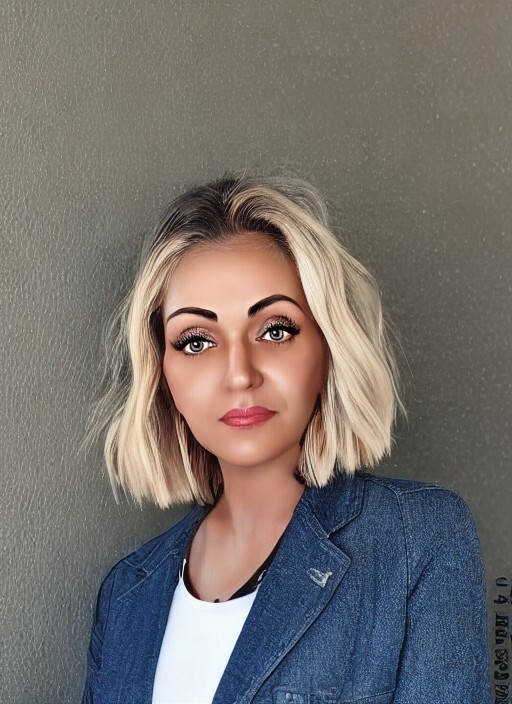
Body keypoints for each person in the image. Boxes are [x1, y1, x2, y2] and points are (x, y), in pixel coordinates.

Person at [81, 172, 491, 703]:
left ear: (328, 347)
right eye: (197, 341)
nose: (239, 374)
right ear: (162, 373)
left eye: (275, 330)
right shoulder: (126, 595)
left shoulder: (416, 540)